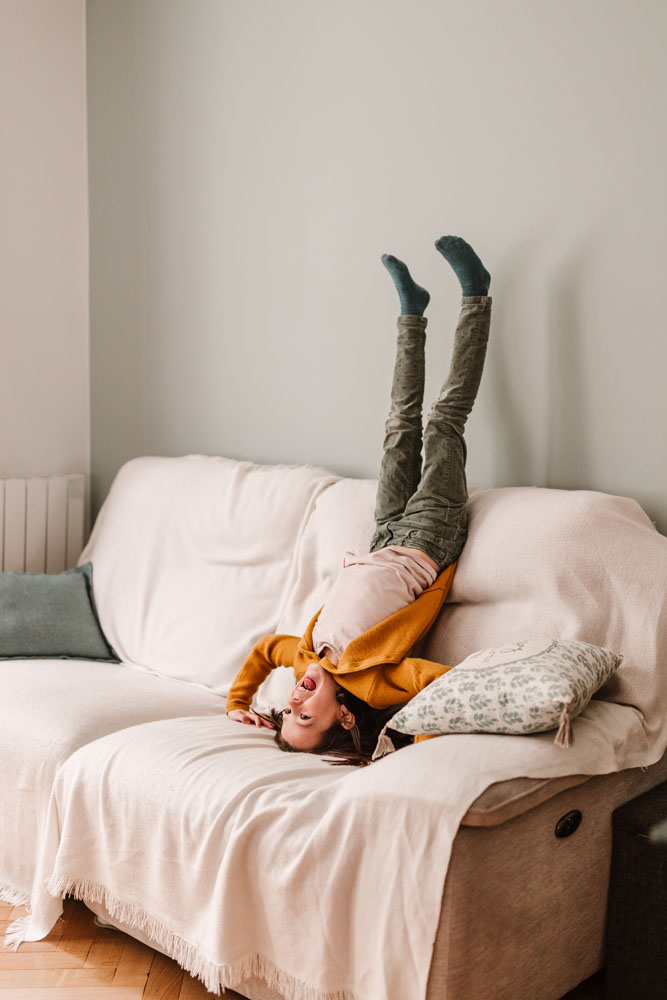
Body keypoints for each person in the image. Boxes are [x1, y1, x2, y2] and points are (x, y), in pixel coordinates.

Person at [226, 236, 492, 764]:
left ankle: (411, 310)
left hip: (383, 534)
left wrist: (238, 703)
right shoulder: (375, 681)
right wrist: (420, 739)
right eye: (307, 715)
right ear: (344, 716)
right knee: (443, 423)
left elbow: (261, 652)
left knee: (399, 425)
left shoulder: (303, 656)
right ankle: (476, 296)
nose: (296, 697)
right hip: (428, 541)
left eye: (288, 709)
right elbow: (442, 685)